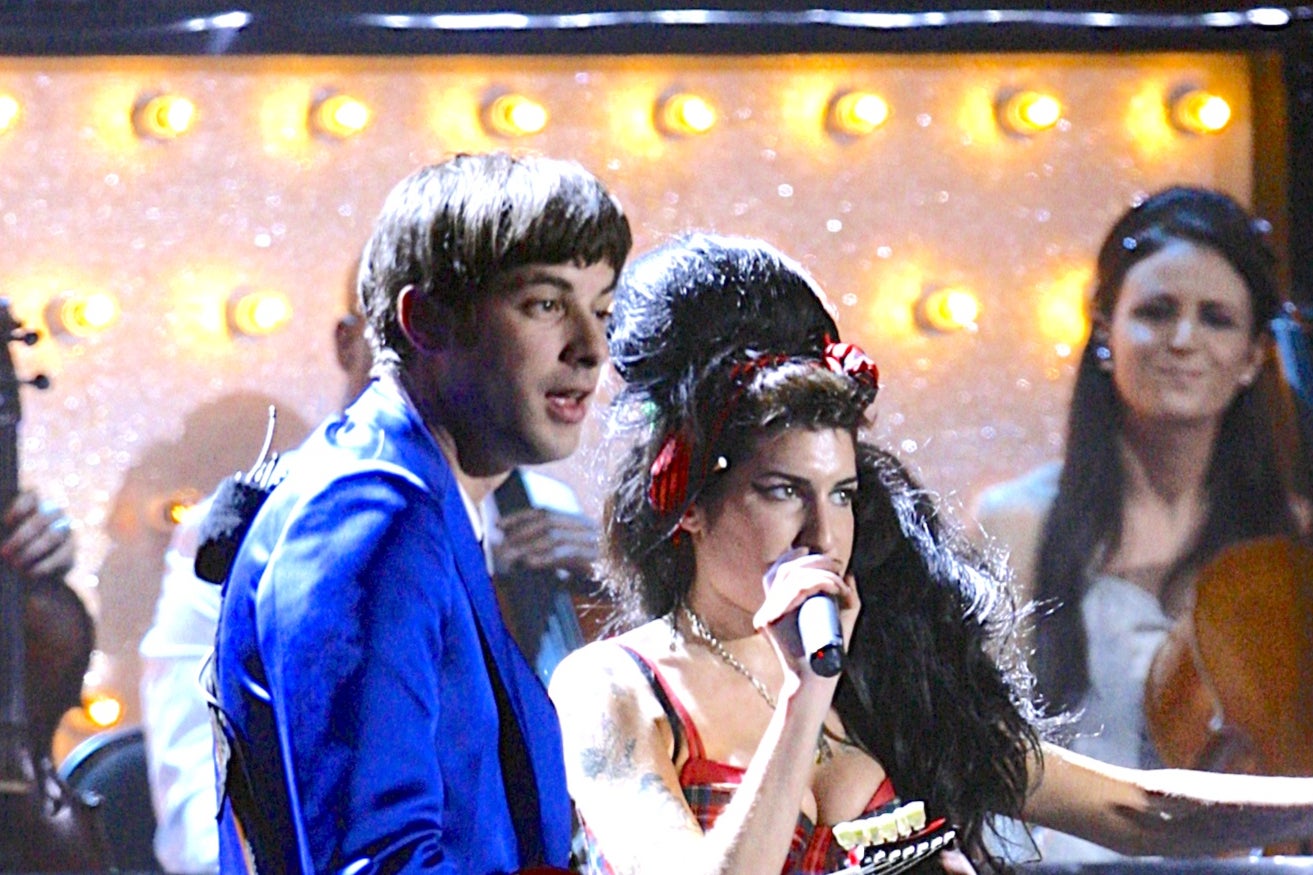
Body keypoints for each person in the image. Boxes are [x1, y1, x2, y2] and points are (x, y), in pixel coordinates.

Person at [548, 233, 1313, 875]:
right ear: (684, 506)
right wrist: (802, 694)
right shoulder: (612, 686)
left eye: (842, 494)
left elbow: (1135, 808)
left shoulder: (888, 668)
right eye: (783, 491)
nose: (822, 532)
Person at [210, 152, 630, 875]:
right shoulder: (368, 513)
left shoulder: (418, 496)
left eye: (601, 311)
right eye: (545, 304)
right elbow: (375, 863)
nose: (591, 350)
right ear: (425, 320)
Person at [141, 285, 606, 872]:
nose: (427, 355)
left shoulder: (541, 505)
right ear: (347, 341)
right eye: (402, 330)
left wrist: (620, 584)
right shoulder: (255, 520)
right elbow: (197, 819)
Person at [973, 186, 1309, 861]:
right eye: (1155, 312)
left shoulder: (1292, 542)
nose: (1182, 340)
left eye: (1214, 318)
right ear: (1105, 331)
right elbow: (983, 752)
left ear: (1250, 354)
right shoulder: (1017, 521)